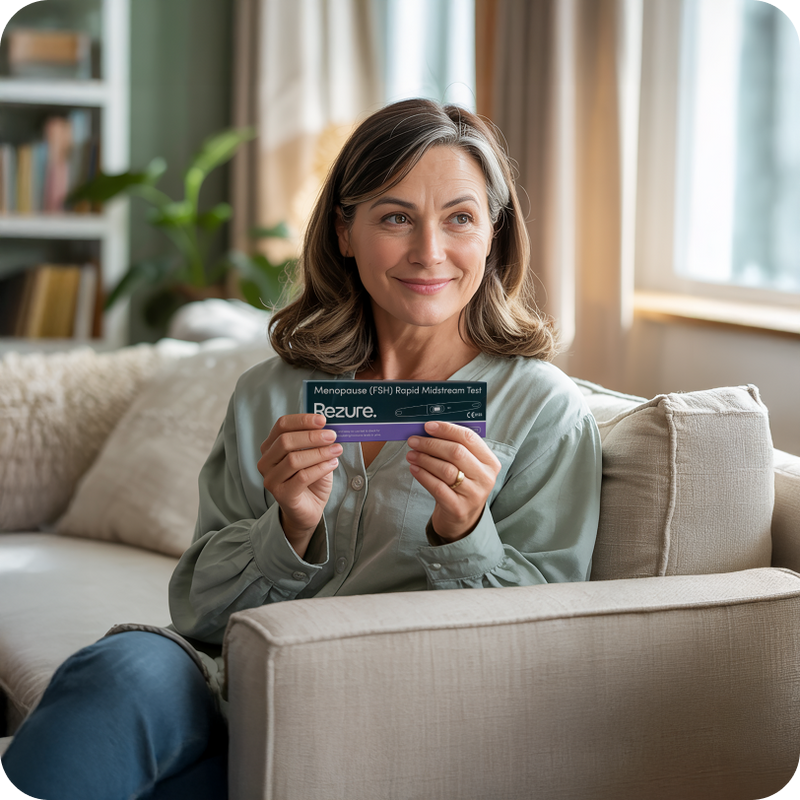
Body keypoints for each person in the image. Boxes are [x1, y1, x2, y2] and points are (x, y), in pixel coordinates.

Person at [1, 98, 602, 800]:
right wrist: (288, 526)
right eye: (395, 216)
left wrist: (464, 534)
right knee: (116, 670)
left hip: (384, 717)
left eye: (459, 218)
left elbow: (544, 650)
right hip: (222, 686)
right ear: (346, 231)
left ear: (495, 235)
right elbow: (198, 611)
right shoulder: (269, 392)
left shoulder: (545, 412)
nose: (428, 252)